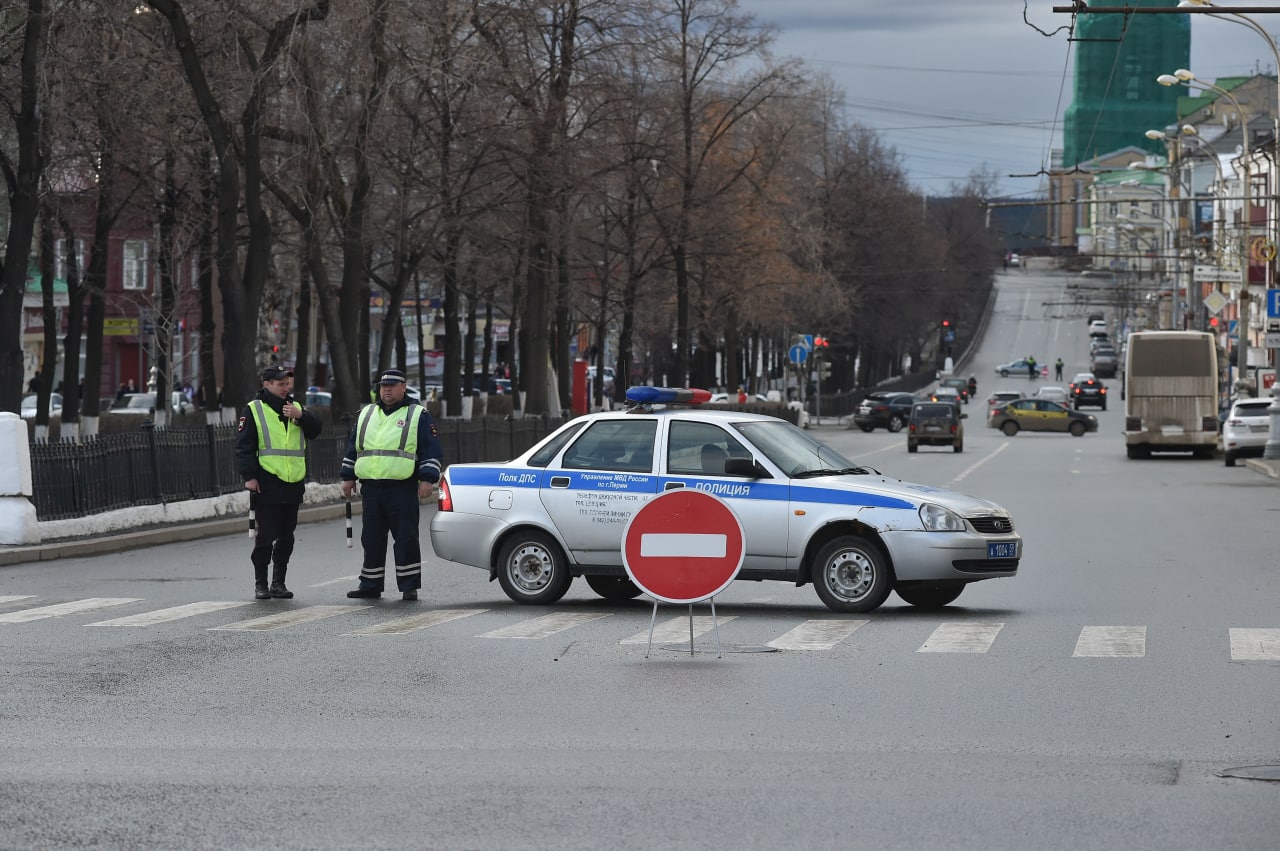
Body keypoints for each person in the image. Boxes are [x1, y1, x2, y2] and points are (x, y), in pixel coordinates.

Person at [342, 368, 444, 602]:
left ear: (403, 387)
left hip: (402, 488)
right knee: (371, 538)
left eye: (392, 385)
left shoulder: (418, 414)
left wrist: (427, 479)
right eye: (383, 386)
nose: (386, 390)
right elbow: (354, 448)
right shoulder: (366, 413)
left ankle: (408, 586)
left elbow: (431, 451)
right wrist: (348, 476)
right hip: (372, 488)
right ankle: (370, 584)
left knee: (406, 538)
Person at [235, 365, 322, 600]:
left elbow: (316, 430)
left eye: (287, 383)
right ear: (267, 384)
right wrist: (250, 477)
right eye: (280, 383)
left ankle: (279, 582)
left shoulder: (295, 408)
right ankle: (260, 583)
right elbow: (244, 446)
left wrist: (301, 416)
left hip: (293, 481)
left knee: (287, 535)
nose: (285, 388)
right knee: (266, 535)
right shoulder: (254, 410)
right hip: (267, 481)